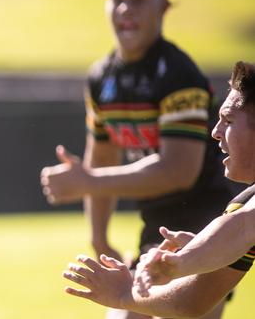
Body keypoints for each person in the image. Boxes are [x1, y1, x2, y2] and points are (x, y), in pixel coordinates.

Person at [39, 0, 233, 318]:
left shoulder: (177, 74)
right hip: (156, 222)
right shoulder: (102, 77)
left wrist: (87, 181)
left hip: (206, 225)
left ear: (164, 6)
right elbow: (103, 157)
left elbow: (179, 171)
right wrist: (99, 238)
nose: (126, 7)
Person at [61, 61, 255, 318]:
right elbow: (190, 302)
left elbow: (240, 227)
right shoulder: (244, 206)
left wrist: (183, 261)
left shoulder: (243, 217)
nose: (215, 133)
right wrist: (130, 291)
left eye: (228, 120)